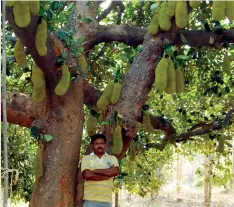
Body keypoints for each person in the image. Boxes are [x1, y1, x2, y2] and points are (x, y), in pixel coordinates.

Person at [81, 134, 120, 207]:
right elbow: (86, 175)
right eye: (96, 143)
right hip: (90, 200)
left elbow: (115, 171)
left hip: (107, 201)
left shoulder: (112, 158)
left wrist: (95, 171)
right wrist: (107, 175)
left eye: (101, 143)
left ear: (105, 145)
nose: (99, 145)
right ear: (93, 145)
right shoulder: (86, 158)